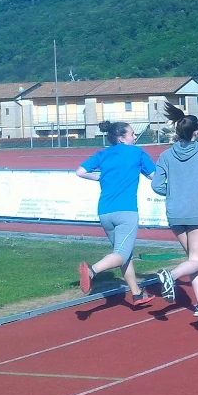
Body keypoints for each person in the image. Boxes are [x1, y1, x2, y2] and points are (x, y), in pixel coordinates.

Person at [75, 121, 156, 306]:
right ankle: (91, 271)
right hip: (126, 211)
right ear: (122, 137)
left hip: (105, 212)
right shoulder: (137, 152)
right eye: (132, 134)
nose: (135, 137)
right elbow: (154, 176)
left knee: (123, 254)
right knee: (121, 253)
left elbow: (80, 172)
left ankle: (136, 294)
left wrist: (101, 177)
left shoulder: (103, 153)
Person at [152, 105, 198, 309]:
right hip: (197, 211)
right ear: (197, 132)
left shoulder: (165, 155)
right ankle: (170, 275)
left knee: (192, 259)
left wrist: (174, 193)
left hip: (175, 213)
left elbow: (156, 185)